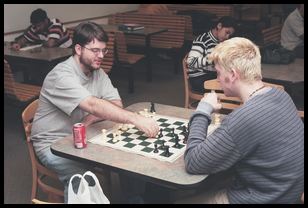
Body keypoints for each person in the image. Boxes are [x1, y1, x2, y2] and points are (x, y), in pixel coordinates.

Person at [30, 21, 159, 203]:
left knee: (129, 158)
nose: (101, 56)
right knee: (82, 179)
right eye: (95, 50)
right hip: (54, 143)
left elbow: (116, 103)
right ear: (78, 49)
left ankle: (134, 198)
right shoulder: (61, 75)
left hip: (84, 136)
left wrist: (89, 120)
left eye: (103, 50)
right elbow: (93, 104)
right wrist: (135, 119)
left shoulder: (96, 71)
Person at [178, 37, 304, 203]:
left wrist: (202, 110)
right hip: (287, 191)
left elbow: (193, 162)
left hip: (264, 198)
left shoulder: (245, 117)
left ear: (232, 75)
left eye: (218, 73)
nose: (217, 79)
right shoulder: (281, 95)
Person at [186, 16, 236, 94]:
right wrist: (213, 58)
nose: (227, 37)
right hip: (199, 79)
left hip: (210, 76)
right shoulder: (202, 40)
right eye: (227, 32)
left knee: (236, 82)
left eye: (230, 35)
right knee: (232, 87)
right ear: (219, 26)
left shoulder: (219, 41)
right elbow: (190, 62)